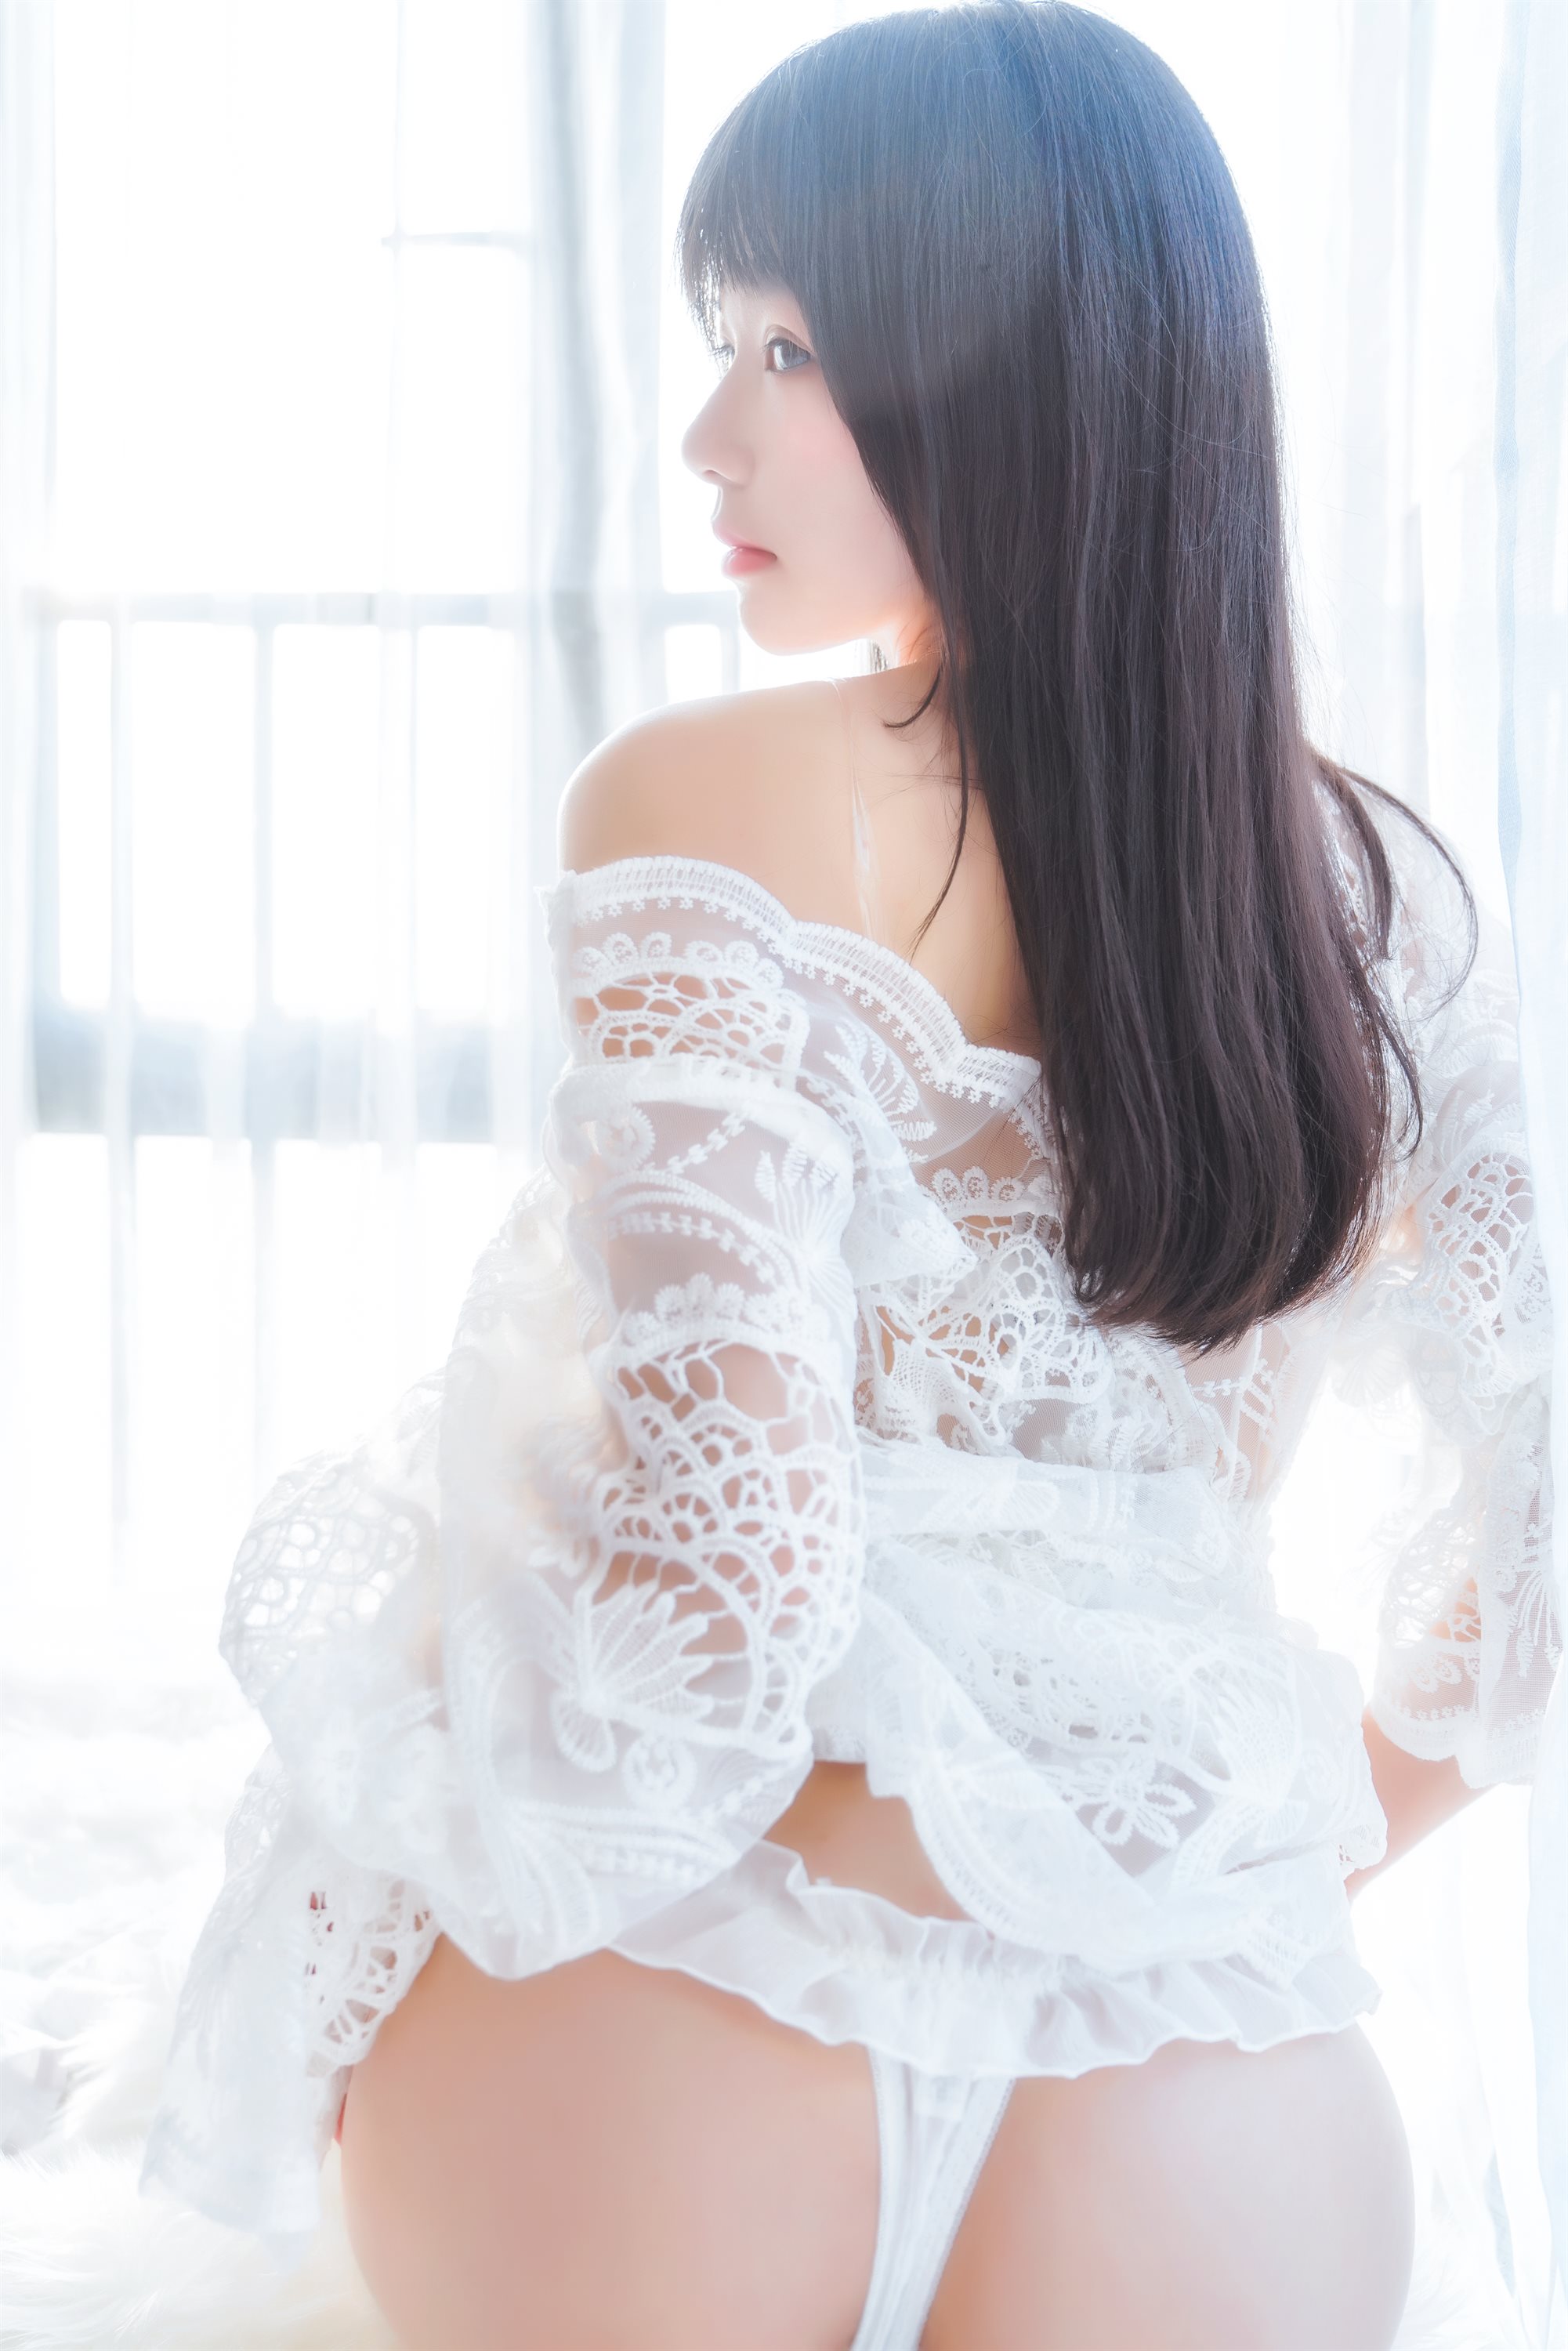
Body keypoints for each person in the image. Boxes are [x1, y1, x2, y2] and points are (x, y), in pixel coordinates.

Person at [139, 6, 1559, 2346]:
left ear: (1031, 388)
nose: (710, 432)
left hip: (699, 2016)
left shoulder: (703, 799)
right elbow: (1532, 1575)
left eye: (787, 351)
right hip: (1214, 2088)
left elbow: (732, 1589)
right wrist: (1246, 1866)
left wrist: (403, 1868)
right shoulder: (1379, 909)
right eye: (723, 343)